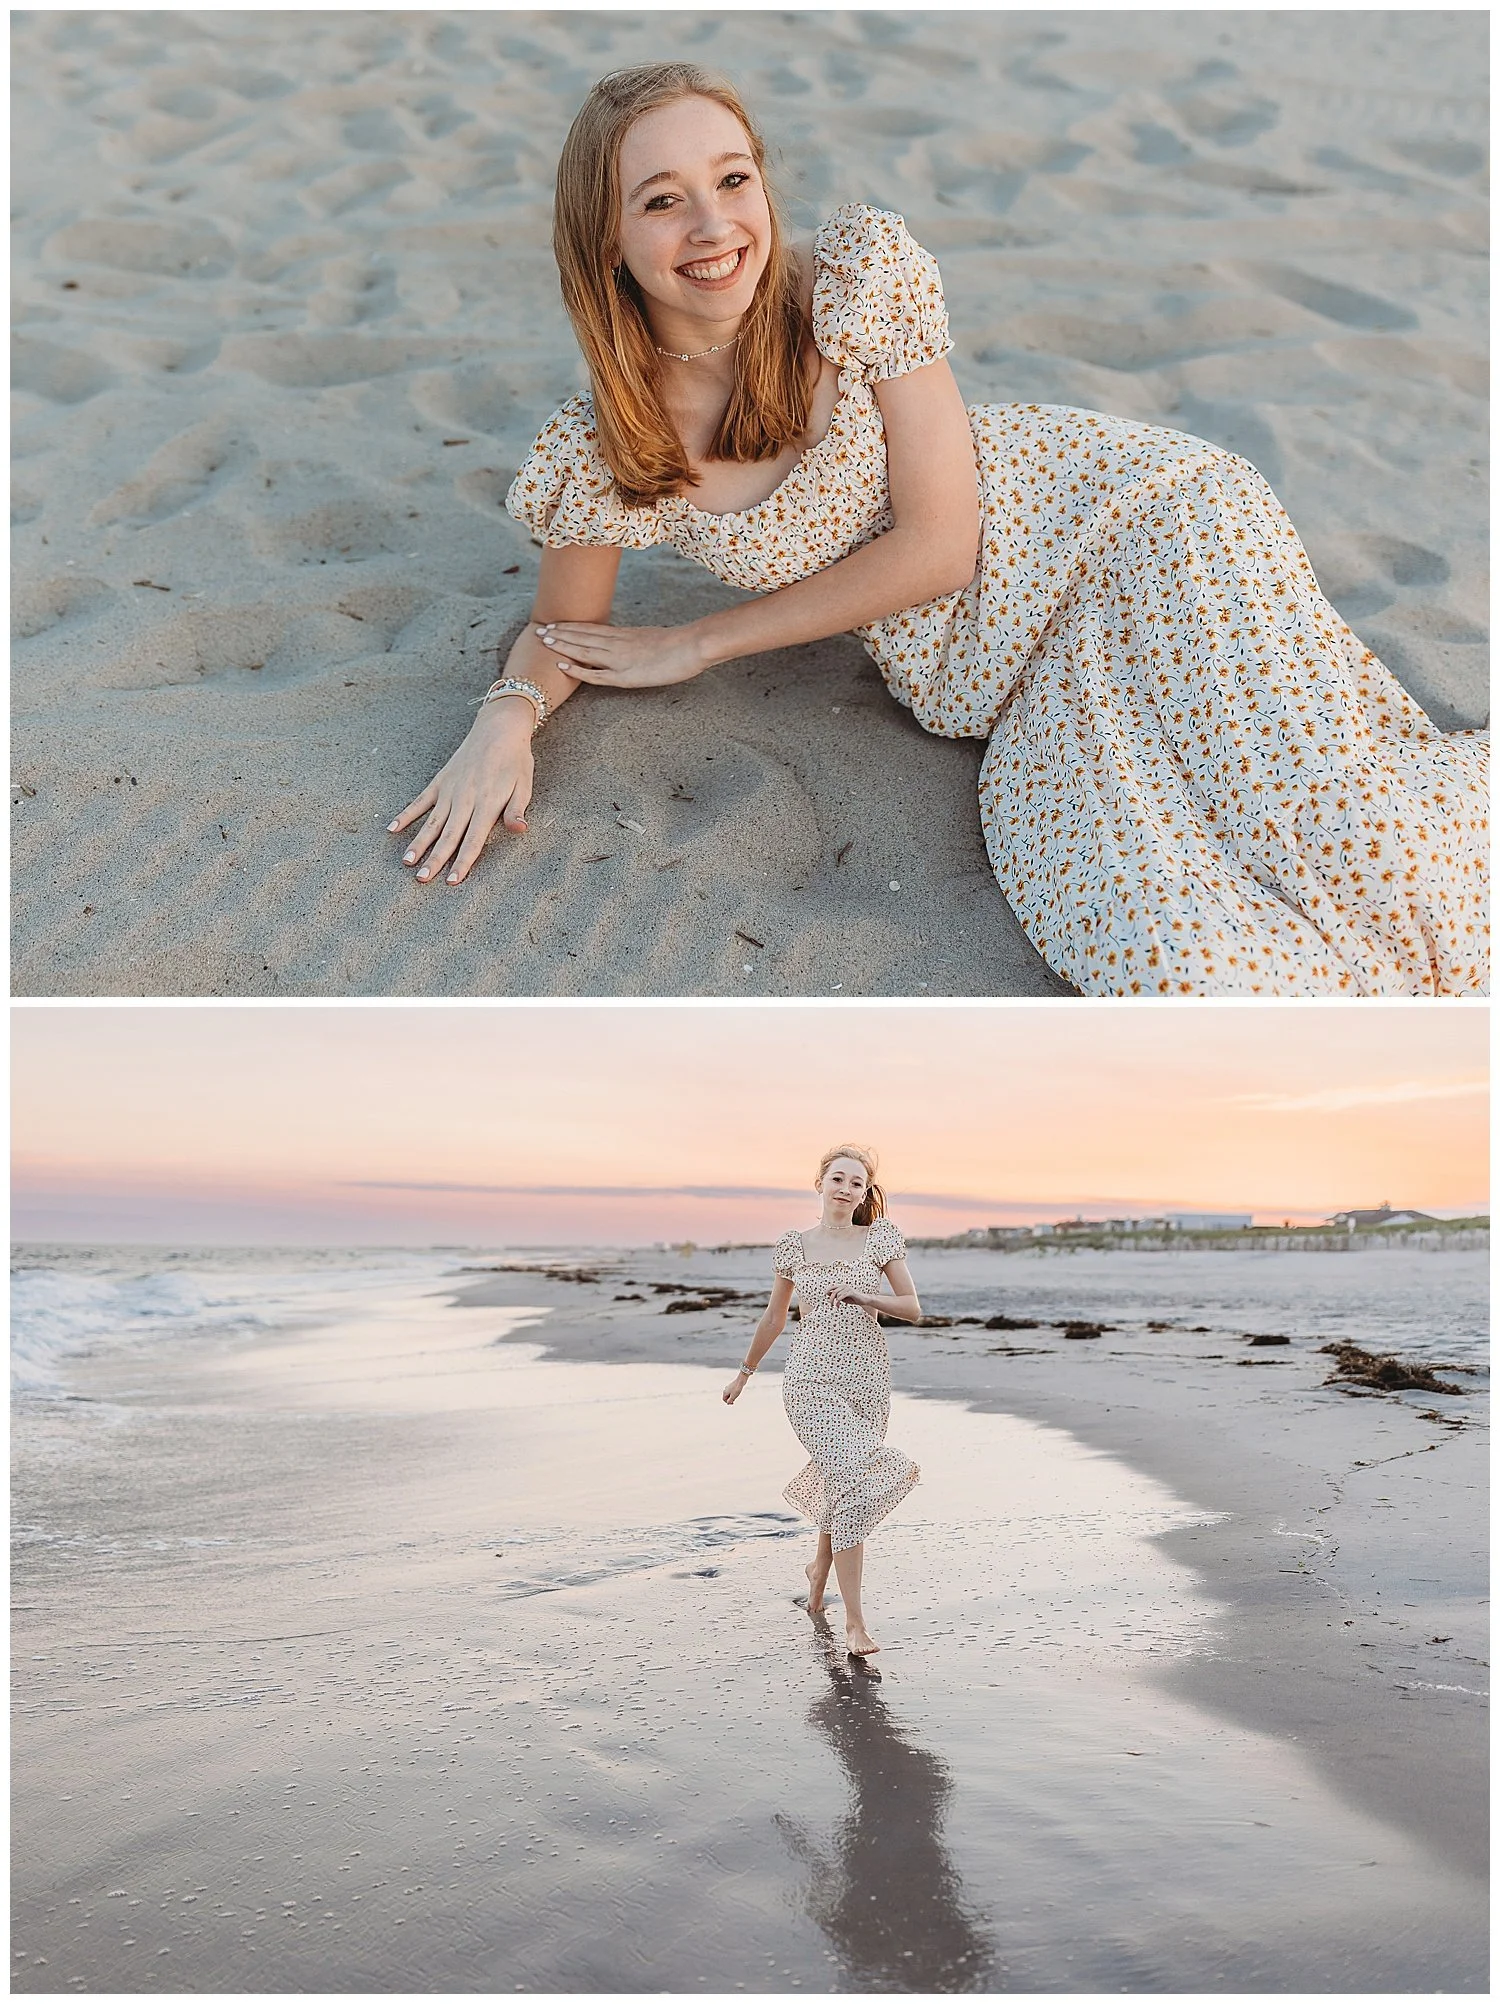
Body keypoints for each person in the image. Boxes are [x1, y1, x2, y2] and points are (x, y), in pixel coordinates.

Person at [388, 61, 1488, 997]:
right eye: (663, 200)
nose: (716, 224)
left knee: (1355, 841)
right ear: (606, 237)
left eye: (733, 179)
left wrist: (697, 641)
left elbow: (940, 548)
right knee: (1174, 945)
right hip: (1005, 669)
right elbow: (559, 630)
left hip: (1132, 526)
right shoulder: (605, 445)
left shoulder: (854, 280)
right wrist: (506, 722)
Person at [724, 1145, 922, 1658]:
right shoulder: (795, 1245)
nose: (846, 1188)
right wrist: (745, 1374)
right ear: (819, 1182)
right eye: (838, 1178)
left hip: (866, 1381)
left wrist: (866, 1297)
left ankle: (818, 1569)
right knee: (856, 1478)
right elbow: (774, 1318)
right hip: (810, 1380)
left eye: (857, 1183)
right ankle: (855, 1622)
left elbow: (913, 1308)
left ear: (863, 1193)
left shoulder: (880, 1239)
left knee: (845, 1482)